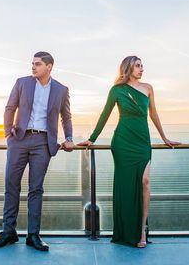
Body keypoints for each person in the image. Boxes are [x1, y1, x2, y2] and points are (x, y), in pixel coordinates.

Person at [78, 55, 181, 247]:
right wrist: (92, 138)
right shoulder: (117, 90)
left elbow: (154, 114)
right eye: (138, 66)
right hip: (123, 142)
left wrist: (165, 138)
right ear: (128, 69)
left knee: (145, 181)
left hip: (142, 141)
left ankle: (141, 230)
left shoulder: (148, 88)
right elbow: (105, 114)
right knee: (125, 187)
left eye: (142, 66)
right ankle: (125, 231)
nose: (142, 69)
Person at [0, 51, 74, 251]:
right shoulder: (22, 83)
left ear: (49, 66)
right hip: (19, 140)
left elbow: (66, 116)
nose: (33, 67)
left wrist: (68, 138)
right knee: (11, 185)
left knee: (36, 189)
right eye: (32, 64)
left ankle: (33, 236)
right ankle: (8, 232)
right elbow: (10, 108)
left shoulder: (61, 89)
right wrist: (8, 134)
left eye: (37, 64)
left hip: (43, 142)